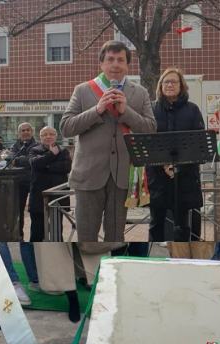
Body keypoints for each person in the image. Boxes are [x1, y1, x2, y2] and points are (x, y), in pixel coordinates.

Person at [60, 40, 157, 242]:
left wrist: (126, 112)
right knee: (86, 237)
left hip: (121, 176)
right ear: (101, 64)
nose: (115, 64)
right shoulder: (83, 90)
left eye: (120, 60)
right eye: (110, 59)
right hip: (88, 175)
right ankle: (86, 273)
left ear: (127, 65)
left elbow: (150, 129)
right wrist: (97, 109)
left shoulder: (139, 93)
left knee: (115, 237)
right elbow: (66, 127)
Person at [146, 67, 205, 242]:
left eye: (174, 81)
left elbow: (198, 143)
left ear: (182, 86)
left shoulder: (192, 110)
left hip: (185, 176)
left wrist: (178, 166)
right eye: (166, 81)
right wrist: (164, 165)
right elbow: (147, 143)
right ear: (160, 86)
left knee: (184, 225)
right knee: (156, 222)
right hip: (158, 176)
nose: (170, 84)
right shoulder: (151, 109)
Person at [28, 126, 71, 242]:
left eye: (51, 134)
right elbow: (35, 164)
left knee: (57, 232)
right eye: (45, 134)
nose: (48, 137)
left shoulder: (64, 150)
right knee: (37, 232)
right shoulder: (34, 150)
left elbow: (66, 167)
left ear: (56, 136)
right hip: (39, 196)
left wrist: (46, 166)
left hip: (57, 196)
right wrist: (52, 155)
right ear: (40, 137)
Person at [5, 123, 37, 239]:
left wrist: (17, 160)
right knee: (18, 211)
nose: (25, 132)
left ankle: (36, 237)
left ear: (32, 132)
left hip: (33, 181)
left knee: (35, 211)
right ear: (19, 133)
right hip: (18, 182)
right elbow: (9, 158)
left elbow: (31, 160)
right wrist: (23, 160)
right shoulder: (15, 145)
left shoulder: (37, 145)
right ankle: (19, 236)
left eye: (28, 130)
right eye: (23, 131)